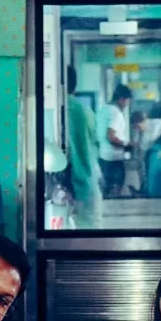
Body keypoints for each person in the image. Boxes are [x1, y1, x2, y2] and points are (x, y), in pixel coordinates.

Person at [65, 66, 102, 228]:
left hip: (67, 187)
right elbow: (95, 143)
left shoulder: (59, 109)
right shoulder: (84, 111)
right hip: (87, 183)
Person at [97, 84, 133, 199]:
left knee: (105, 191)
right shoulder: (116, 113)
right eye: (127, 101)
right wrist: (126, 145)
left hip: (102, 157)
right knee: (114, 191)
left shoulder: (103, 109)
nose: (127, 104)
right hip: (114, 159)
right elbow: (111, 136)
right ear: (122, 99)